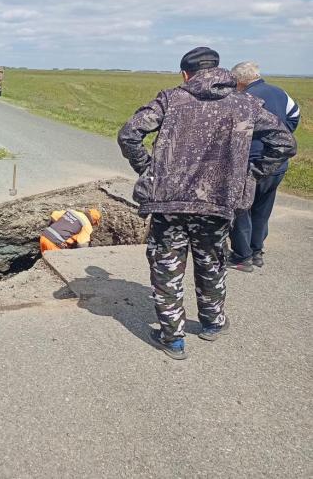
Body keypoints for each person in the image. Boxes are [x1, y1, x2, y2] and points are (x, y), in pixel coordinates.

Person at [117, 47, 296, 360]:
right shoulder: (247, 104)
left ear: (186, 74)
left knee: (167, 266)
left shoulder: (171, 98)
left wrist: (149, 170)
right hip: (217, 203)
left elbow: (130, 134)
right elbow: (285, 143)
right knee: (211, 261)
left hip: (169, 203)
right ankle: (213, 323)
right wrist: (249, 175)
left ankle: (172, 338)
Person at [227, 61, 301, 272]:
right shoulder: (281, 93)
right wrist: (281, 135)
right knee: (262, 209)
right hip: (277, 163)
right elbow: (295, 117)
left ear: (240, 80)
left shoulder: (242, 99)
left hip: (250, 162)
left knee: (241, 209)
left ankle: (242, 257)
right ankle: (257, 252)